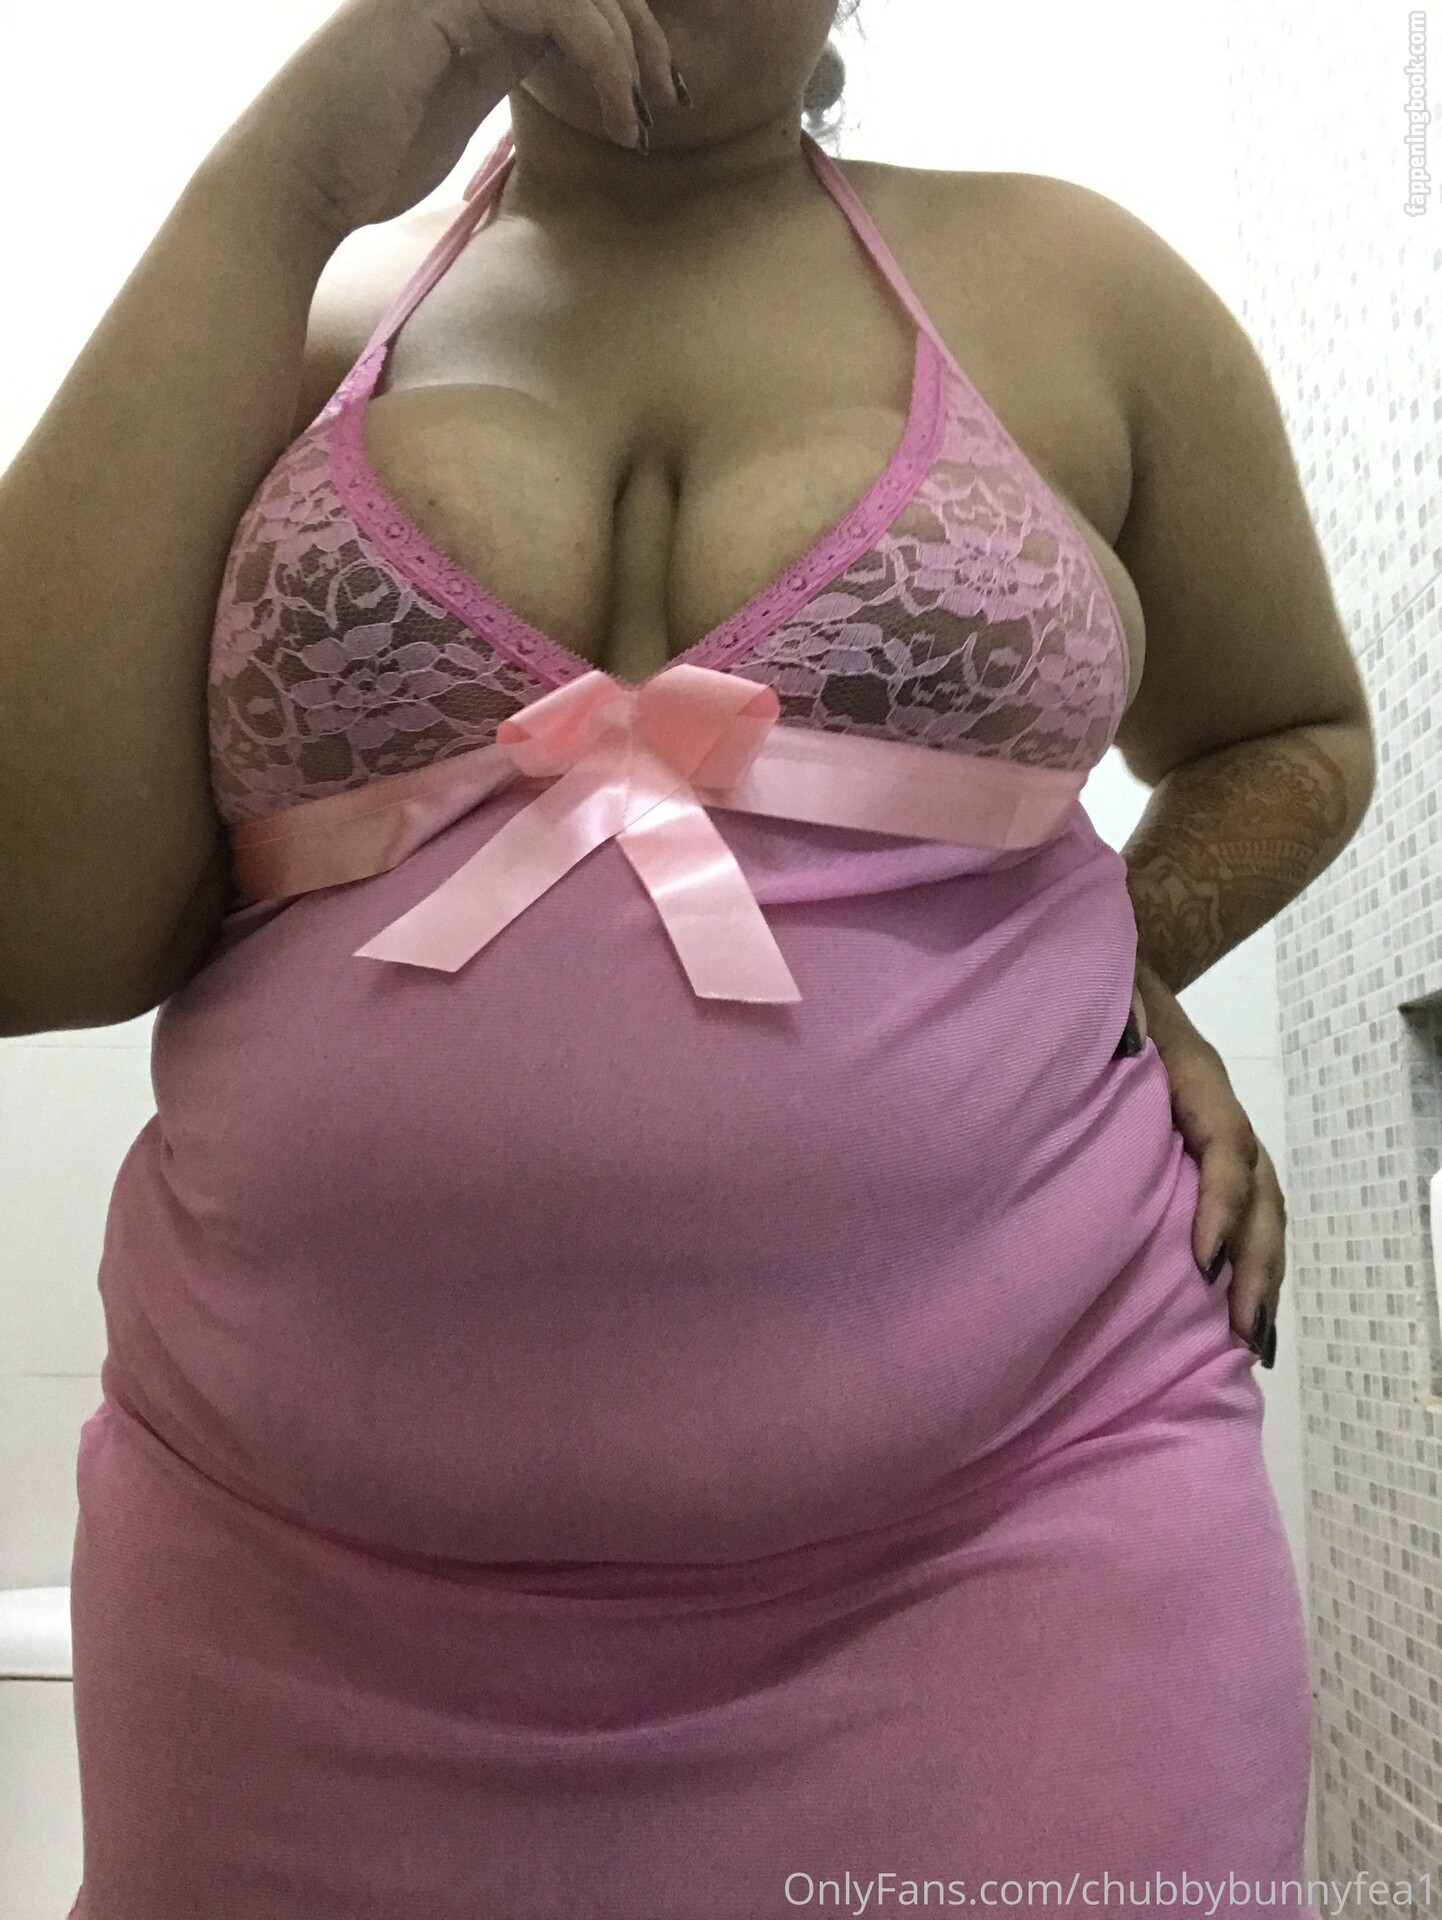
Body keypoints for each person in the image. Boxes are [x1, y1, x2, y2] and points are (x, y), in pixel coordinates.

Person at [0, 1, 1341, 1912]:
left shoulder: (1078, 285)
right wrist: (284, 174)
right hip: (288, 1592)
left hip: (1017, 1532)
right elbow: (31, 930)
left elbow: (1291, 732)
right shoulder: (289, 311)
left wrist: (1119, 950)